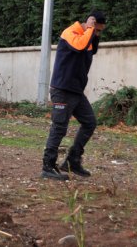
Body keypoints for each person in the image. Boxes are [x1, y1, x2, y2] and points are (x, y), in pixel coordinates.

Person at [41, 10, 107, 180]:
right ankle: (47, 166)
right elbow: (80, 46)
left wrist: (93, 33)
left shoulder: (88, 37)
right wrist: (91, 29)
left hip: (76, 91)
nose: (97, 34)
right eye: (97, 30)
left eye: (100, 31)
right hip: (62, 90)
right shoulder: (70, 33)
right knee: (59, 126)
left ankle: (72, 161)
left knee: (89, 122)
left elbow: (90, 51)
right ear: (89, 23)